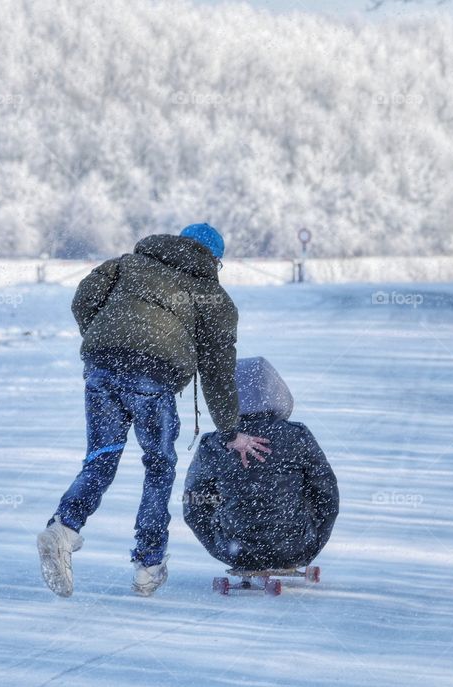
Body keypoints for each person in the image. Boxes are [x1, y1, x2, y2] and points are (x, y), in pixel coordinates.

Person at [37, 224, 272, 597]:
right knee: (159, 466)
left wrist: (105, 340)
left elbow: (83, 298)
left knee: (100, 458)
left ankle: (64, 528)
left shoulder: (127, 265)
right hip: (154, 375)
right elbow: (217, 372)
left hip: (102, 367)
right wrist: (230, 431)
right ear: (214, 260)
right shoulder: (212, 296)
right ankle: (148, 563)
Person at [183, 357, 339, 572]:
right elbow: (327, 495)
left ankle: (245, 549)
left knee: (209, 495)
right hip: (294, 548)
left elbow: (193, 504)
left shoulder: (214, 444)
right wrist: (310, 544)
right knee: (310, 488)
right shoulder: (297, 435)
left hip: (236, 550)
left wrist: (220, 545)